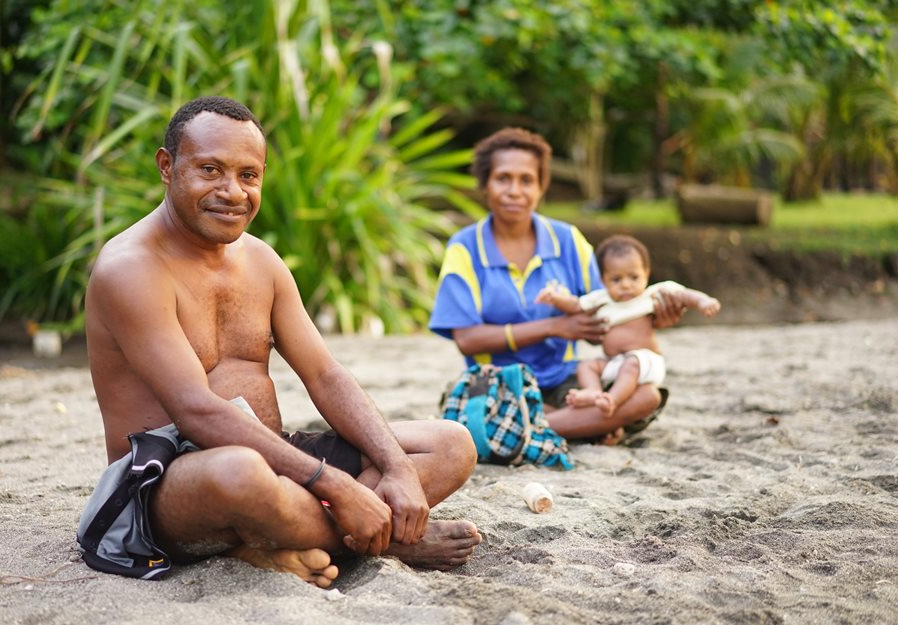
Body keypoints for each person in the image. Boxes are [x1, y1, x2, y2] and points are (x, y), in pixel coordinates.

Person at [76, 96, 481, 588]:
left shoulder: (262, 262)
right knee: (241, 472)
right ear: (168, 167)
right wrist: (334, 485)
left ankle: (278, 542)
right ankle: (380, 537)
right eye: (210, 169)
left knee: (450, 444)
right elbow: (195, 410)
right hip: (167, 478)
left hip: (277, 458)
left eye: (249, 175)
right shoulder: (130, 269)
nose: (232, 191)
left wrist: (396, 468)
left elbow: (325, 375)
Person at [428, 127, 685, 444]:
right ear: (485, 185)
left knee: (647, 397)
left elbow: (609, 313)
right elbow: (467, 339)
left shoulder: (567, 241)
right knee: (487, 402)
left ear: (541, 186)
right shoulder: (465, 248)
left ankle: (527, 427)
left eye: (527, 180)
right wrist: (554, 327)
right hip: (500, 382)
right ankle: (576, 426)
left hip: (567, 380)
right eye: (503, 178)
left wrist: (652, 320)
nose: (514, 190)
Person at [535, 234, 720, 417]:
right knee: (587, 365)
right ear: (603, 280)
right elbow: (576, 305)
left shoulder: (650, 296)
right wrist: (556, 299)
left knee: (631, 363)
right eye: (616, 279)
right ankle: (593, 391)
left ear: (646, 273)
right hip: (615, 362)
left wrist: (704, 301)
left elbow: (684, 295)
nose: (626, 285)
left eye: (634, 277)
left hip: (645, 362)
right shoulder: (601, 299)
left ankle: (612, 400)